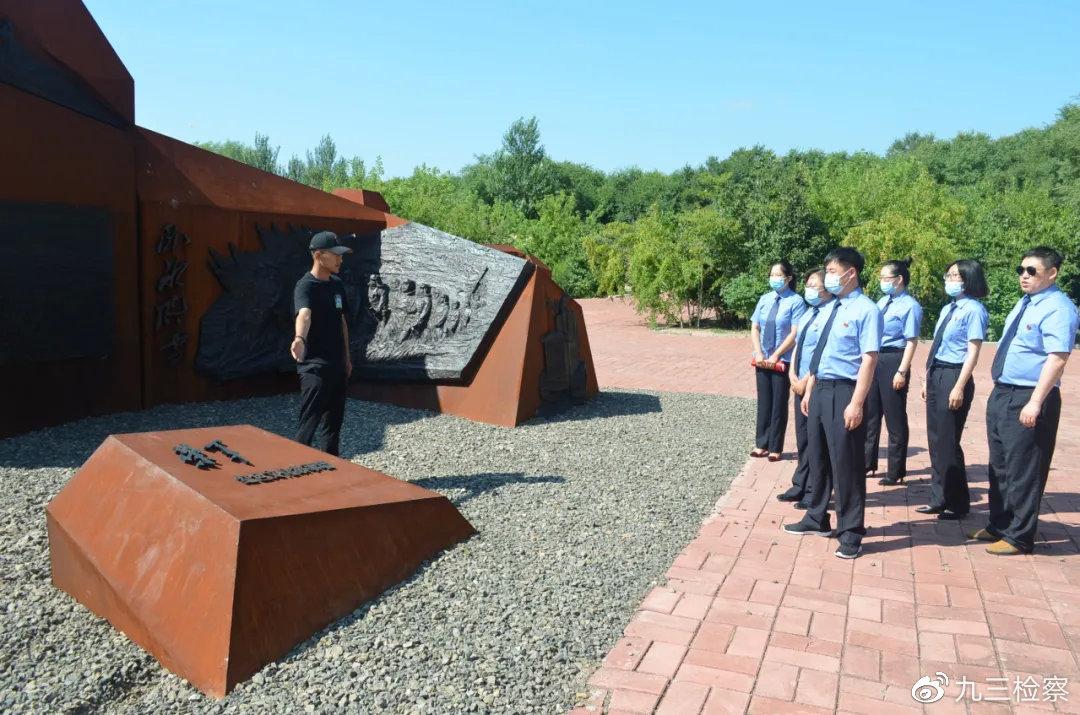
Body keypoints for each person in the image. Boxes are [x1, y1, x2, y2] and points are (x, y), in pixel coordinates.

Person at [969, 247, 1078, 555]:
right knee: (1000, 464)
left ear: (1052, 272)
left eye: (1031, 271)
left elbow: (1057, 358)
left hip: (1029, 395)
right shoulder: (1025, 303)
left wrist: (1035, 402)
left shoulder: (1058, 308)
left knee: (1024, 468)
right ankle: (999, 524)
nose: (1024, 276)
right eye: (1021, 270)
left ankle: (1020, 535)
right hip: (1004, 391)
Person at [783, 248, 882, 560]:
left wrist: (856, 403)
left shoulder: (866, 310)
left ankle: (851, 531)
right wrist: (810, 391)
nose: (827, 277)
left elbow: (869, 359)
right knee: (818, 455)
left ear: (851, 272)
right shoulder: (828, 309)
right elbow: (819, 356)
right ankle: (817, 516)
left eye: (833, 271)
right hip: (821, 389)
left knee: (847, 465)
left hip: (845, 391)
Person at [918, 259, 989, 520]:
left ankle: (958, 503)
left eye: (955, 276)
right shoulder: (949, 308)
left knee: (948, 442)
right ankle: (939, 497)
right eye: (948, 275)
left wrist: (959, 386)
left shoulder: (974, 311)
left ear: (969, 279)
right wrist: (928, 377)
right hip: (938, 372)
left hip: (954, 374)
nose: (949, 279)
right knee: (936, 441)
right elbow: (937, 346)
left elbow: (973, 352)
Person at [290, 231, 354, 456]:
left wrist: (347, 358)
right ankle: (296, 472)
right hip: (315, 367)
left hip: (337, 365)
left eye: (341, 255)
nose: (340, 259)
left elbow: (342, 322)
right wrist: (300, 339)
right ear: (318, 255)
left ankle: (331, 475)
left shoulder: (337, 284)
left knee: (333, 427)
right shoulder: (305, 286)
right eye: (335, 254)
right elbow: (304, 314)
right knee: (308, 425)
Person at [776, 270, 833, 507]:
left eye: (814, 284)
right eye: (808, 284)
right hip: (798, 380)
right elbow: (798, 345)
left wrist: (806, 380)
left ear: (827, 289)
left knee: (816, 440)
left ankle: (814, 490)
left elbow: (823, 352)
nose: (809, 288)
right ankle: (800, 484)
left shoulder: (831, 313)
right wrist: (792, 374)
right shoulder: (810, 313)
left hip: (815, 382)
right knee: (803, 437)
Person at [865, 258, 923, 485]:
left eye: (885, 278)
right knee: (871, 414)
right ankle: (867, 462)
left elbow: (911, 341)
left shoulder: (910, 306)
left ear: (899, 280)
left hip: (894, 358)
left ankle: (895, 470)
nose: (882, 282)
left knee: (894, 417)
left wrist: (902, 370)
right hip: (877, 358)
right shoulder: (882, 301)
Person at [749, 261, 806, 461]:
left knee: (779, 403)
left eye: (778, 275)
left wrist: (777, 355)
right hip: (762, 358)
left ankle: (775, 446)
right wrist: (758, 352)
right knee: (764, 402)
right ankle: (761, 443)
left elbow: (795, 332)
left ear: (788, 278)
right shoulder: (765, 299)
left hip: (783, 359)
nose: (774, 278)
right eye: (771, 274)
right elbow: (755, 326)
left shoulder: (796, 301)